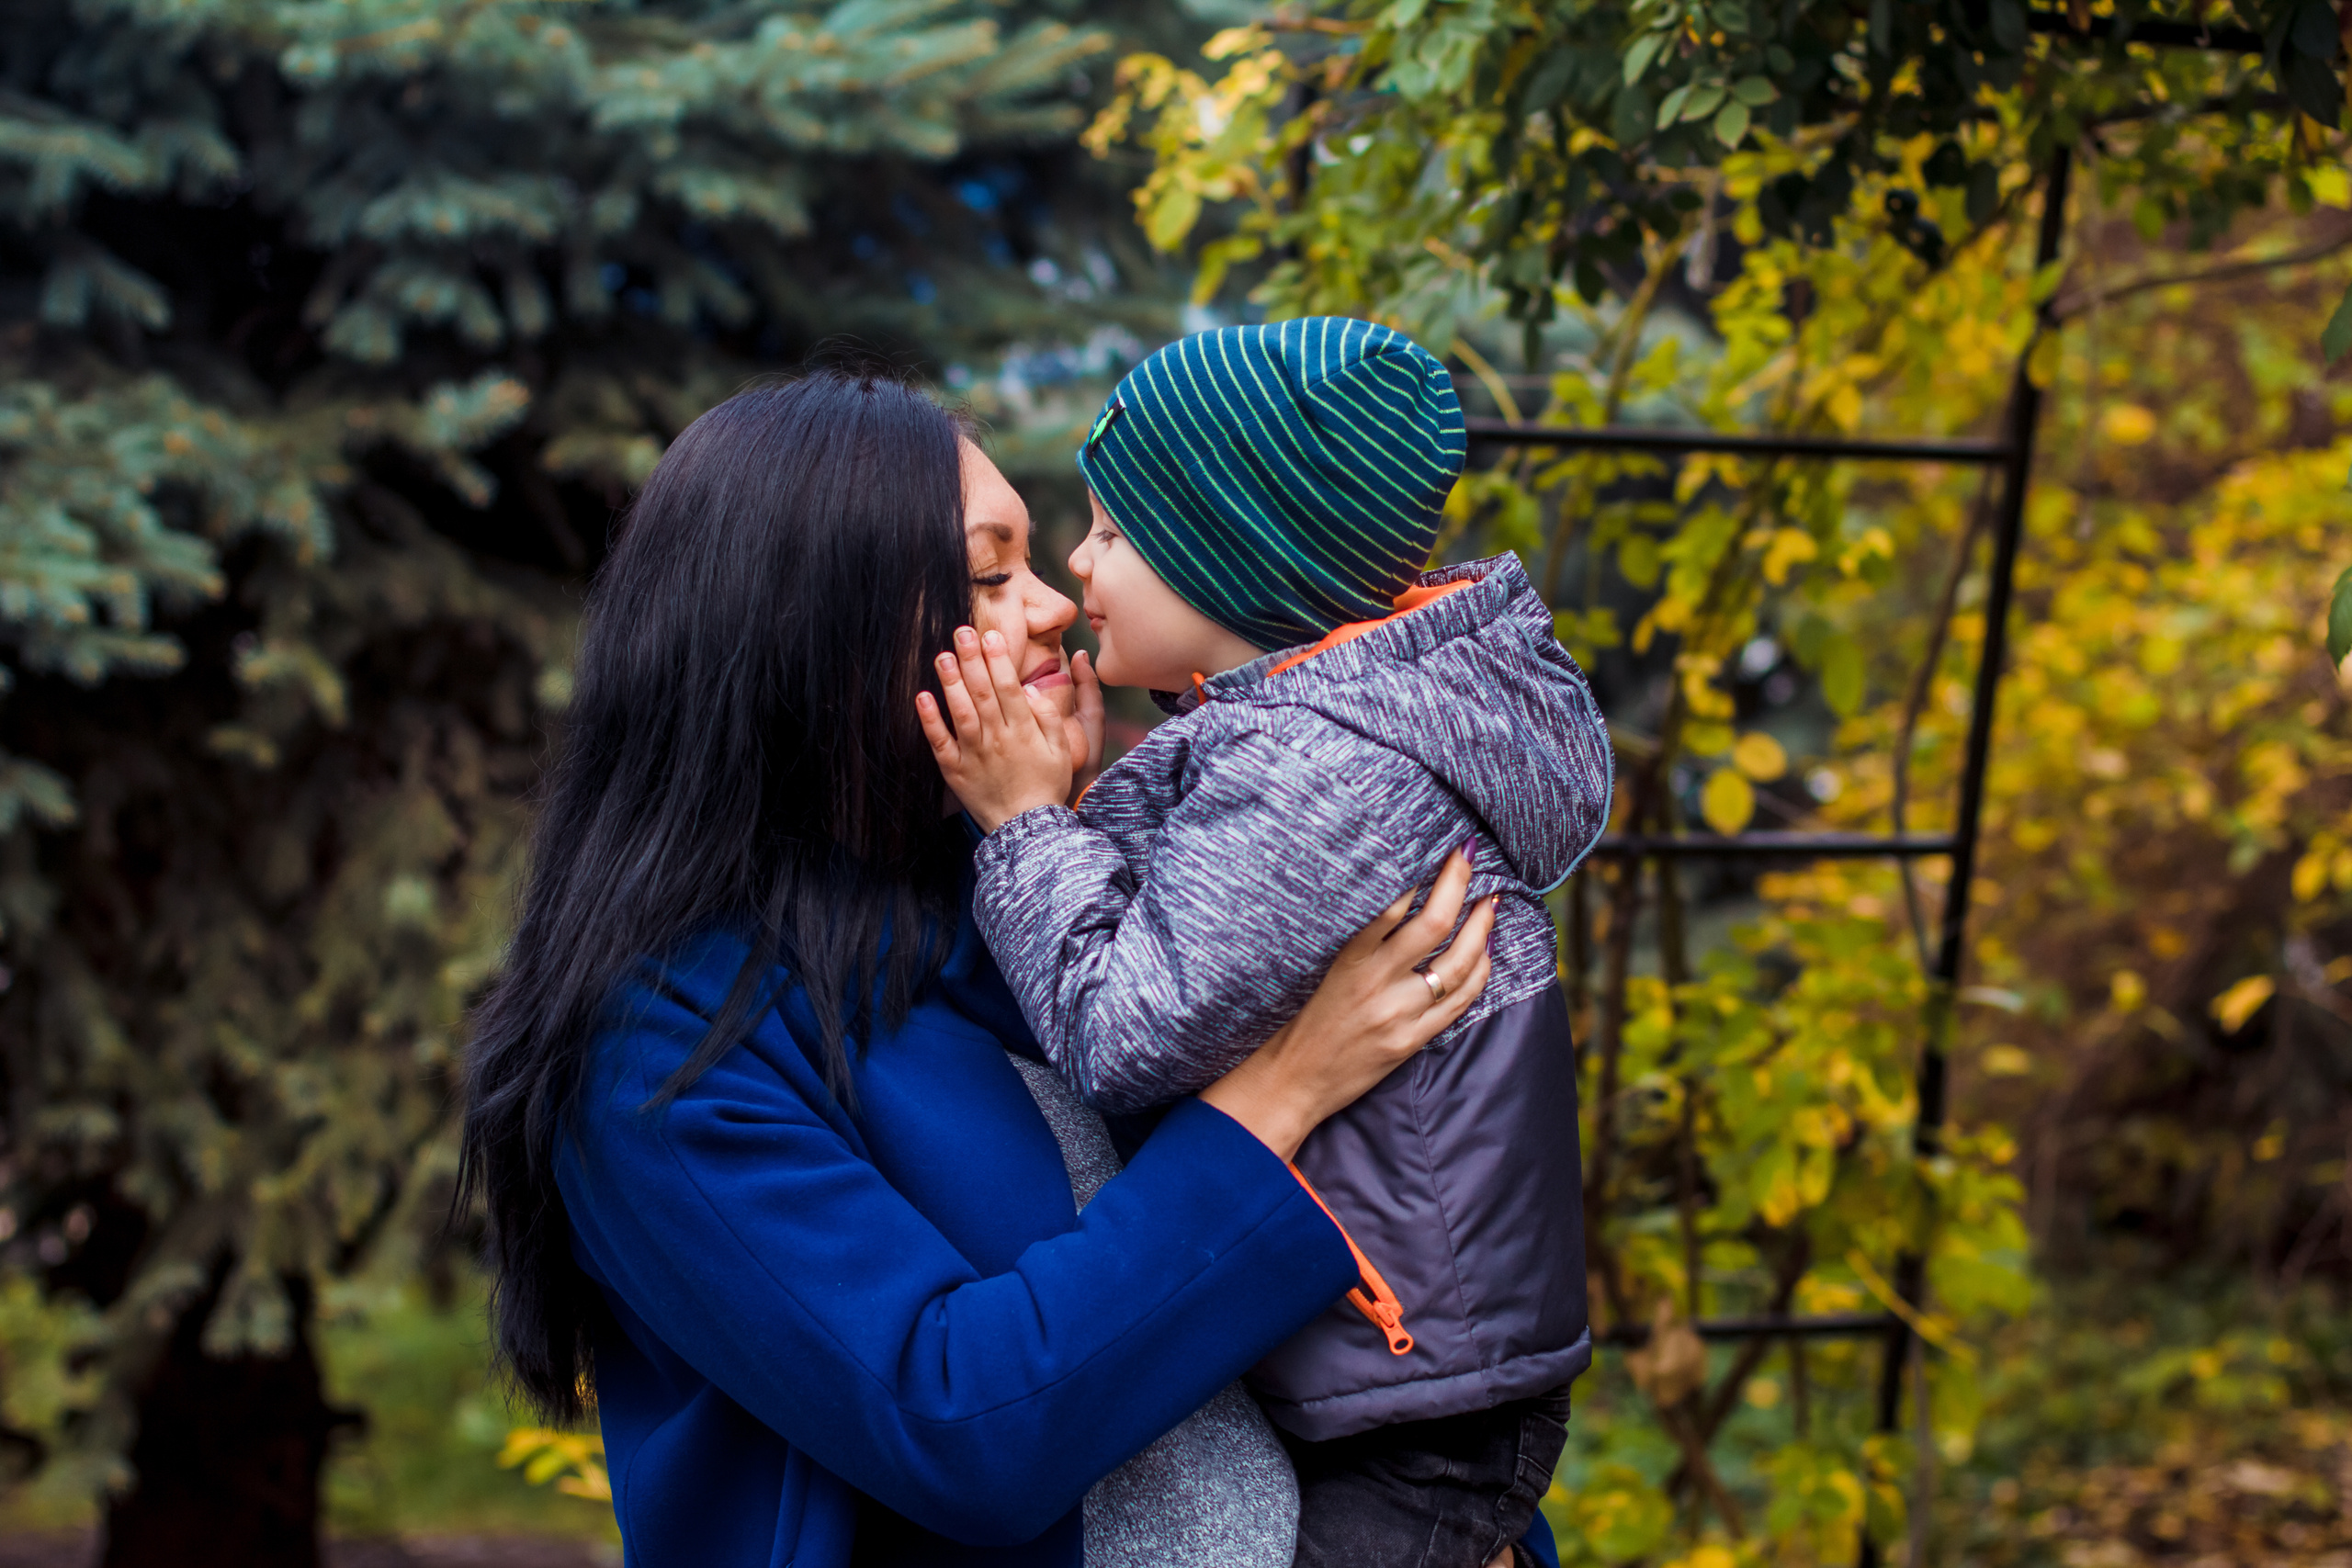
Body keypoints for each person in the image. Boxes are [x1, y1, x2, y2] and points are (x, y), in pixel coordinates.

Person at [455, 368, 1555, 1568]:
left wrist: (1070, 828)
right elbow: (958, 1423)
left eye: (1037, 561)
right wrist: (1281, 1093)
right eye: (990, 576)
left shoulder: (1020, 909)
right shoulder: (662, 1051)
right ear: (813, 632)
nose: (1053, 609)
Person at [918, 319, 1615, 1568]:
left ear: (1233, 563)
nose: (1079, 571)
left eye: (1116, 535)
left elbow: (1119, 1031)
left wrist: (1029, 823)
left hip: (1413, 1399)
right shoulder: (1319, 737)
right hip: (1408, 1365)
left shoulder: (1314, 777)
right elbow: (1194, 936)